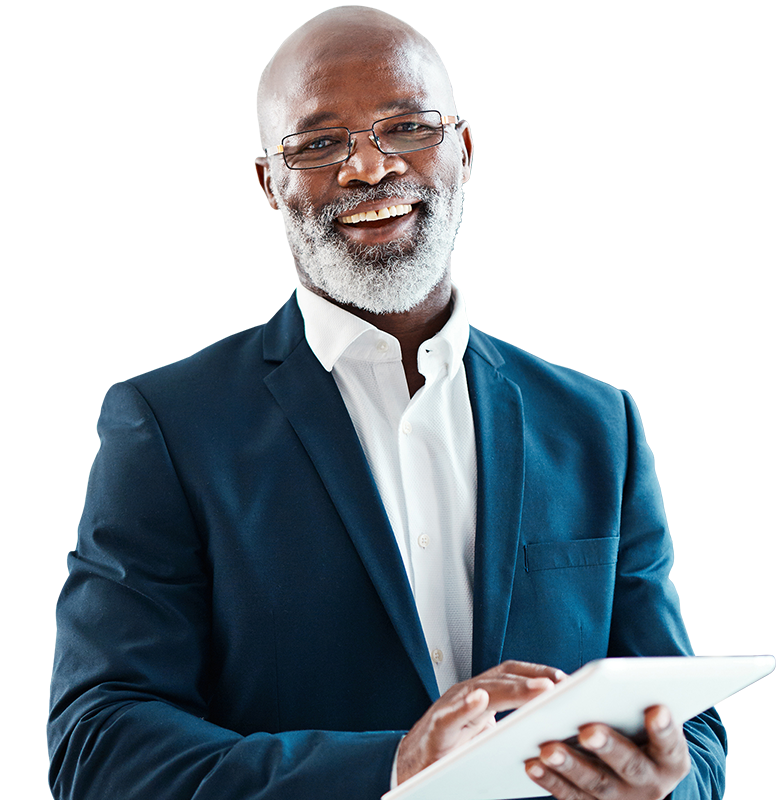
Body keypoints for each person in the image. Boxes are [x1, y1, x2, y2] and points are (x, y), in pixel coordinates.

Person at [48, 8, 726, 800]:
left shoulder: (596, 428)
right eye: (318, 142)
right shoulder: (169, 429)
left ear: (463, 152)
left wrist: (669, 781)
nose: (368, 168)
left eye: (406, 126)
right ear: (270, 183)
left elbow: (692, 731)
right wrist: (393, 770)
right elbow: (97, 746)